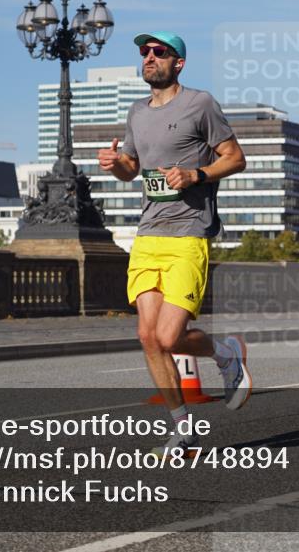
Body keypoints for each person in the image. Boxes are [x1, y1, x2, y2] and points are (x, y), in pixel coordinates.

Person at [97, 31, 250, 456]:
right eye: (144, 52)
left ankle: (225, 354)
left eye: (158, 52)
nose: (148, 57)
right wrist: (116, 164)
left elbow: (236, 158)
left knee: (167, 337)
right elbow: (131, 169)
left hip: (188, 236)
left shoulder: (200, 104)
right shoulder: (136, 112)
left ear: (177, 62)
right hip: (148, 235)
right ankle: (183, 429)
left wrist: (195, 175)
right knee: (147, 336)